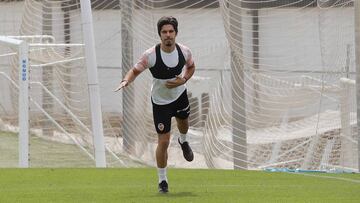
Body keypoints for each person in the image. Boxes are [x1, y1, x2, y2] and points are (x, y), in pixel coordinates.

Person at [115, 16, 195, 193]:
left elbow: (191, 67)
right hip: (160, 102)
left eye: (171, 31)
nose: (168, 35)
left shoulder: (185, 51)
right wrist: (125, 80)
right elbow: (135, 70)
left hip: (180, 95)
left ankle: (184, 141)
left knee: (184, 123)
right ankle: (162, 181)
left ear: (176, 33)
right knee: (164, 142)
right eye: (164, 32)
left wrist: (184, 80)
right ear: (160, 35)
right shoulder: (150, 55)